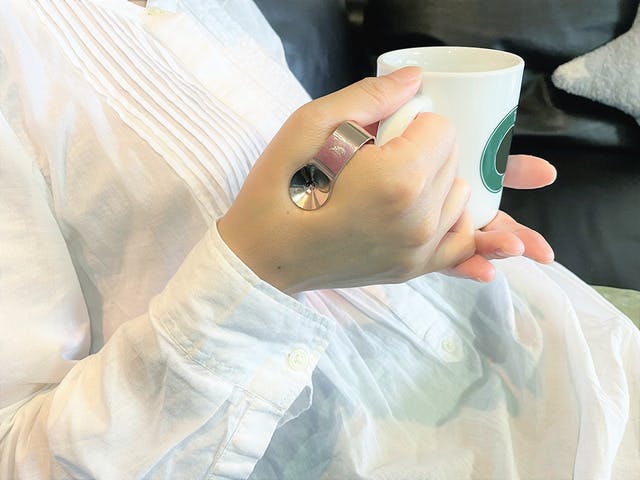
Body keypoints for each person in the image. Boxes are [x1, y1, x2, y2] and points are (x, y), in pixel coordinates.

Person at [0, 0, 637, 479]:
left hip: (550, 347)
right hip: (375, 444)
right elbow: (20, 454)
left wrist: (405, 195)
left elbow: (307, 177)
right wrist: (261, 272)